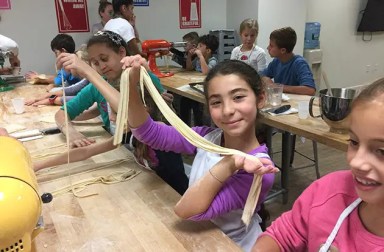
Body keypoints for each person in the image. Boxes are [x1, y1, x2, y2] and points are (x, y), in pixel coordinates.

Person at [122, 57, 278, 251]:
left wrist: (228, 164)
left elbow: (188, 211)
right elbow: (147, 132)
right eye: (216, 102)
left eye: (238, 97)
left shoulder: (260, 169)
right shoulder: (206, 138)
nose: (228, 110)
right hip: (201, 237)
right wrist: (131, 83)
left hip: (232, 245)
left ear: (260, 99)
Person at [253, 78, 384, 252]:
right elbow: (282, 235)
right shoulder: (330, 191)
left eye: (382, 151)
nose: (356, 161)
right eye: (354, 141)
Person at [50, 31, 188, 194]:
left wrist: (89, 72)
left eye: (104, 58)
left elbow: (129, 112)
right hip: (135, 159)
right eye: (94, 62)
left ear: (122, 52)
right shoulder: (98, 88)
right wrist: (70, 131)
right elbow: (65, 116)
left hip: (164, 162)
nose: (101, 66)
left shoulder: (139, 78)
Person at [25, 46, 90, 106]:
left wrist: (51, 99)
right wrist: (37, 99)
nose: (55, 56)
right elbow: (68, 90)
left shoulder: (68, 68)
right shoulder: (86, 80)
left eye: (56, 52)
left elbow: (58, 81)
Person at [260, 27, 315, 96]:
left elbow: (310, 90)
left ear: (283, 50)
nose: (268, 48)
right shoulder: (276, 61)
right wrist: (264, 79)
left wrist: (277, 87)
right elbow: (260, 75)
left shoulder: (299, 63)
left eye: (271, 46)